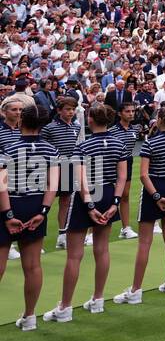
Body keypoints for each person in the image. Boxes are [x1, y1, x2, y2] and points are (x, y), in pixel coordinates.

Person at [43, 103, 126, 322]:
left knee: (74, 255)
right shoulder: (119, 145)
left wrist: (89, 206)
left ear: (90, 120)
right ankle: (97, 300)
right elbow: (122, 178)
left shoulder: (84, 147)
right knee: (102, 249)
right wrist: (114, 204)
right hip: (108, 194)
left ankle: (65, 307)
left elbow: (80, 181)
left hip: (87, 197)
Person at [114, 104, 165, 306]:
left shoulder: (150, 143)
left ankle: (136, 290)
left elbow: (143, 174)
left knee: (145, 243)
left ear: (160, 120)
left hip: (154, 189)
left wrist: (156, 196)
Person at [4, 103, 59, 330]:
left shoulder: (8, 148)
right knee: (33, 265)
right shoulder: (51, 150)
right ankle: (29, 317)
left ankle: (29, 317)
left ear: (21, 122)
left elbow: (1, 186)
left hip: (10, 207)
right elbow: (52, 185)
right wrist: (42, 213)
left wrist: (8, 215)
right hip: (36, 207)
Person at [42, 96, 80, 251]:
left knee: (65, 201)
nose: (71, 112)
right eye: (67, 109)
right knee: (44, 203)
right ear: (59, 111)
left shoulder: (76, 127)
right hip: (51, 169)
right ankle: (37, 241)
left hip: (68, 168)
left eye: (73, 109)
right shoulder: (48, 128)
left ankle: (62, 235)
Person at [112, 102, 140, 238]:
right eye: (127, 111)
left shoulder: (135, 129)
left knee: (125, 195)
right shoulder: (112, 131)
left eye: (133, 111)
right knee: (106, 197)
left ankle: (125, 228)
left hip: (127, 162)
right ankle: (91, 234)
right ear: (120, 113)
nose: (131, 114)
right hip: (112, 164)